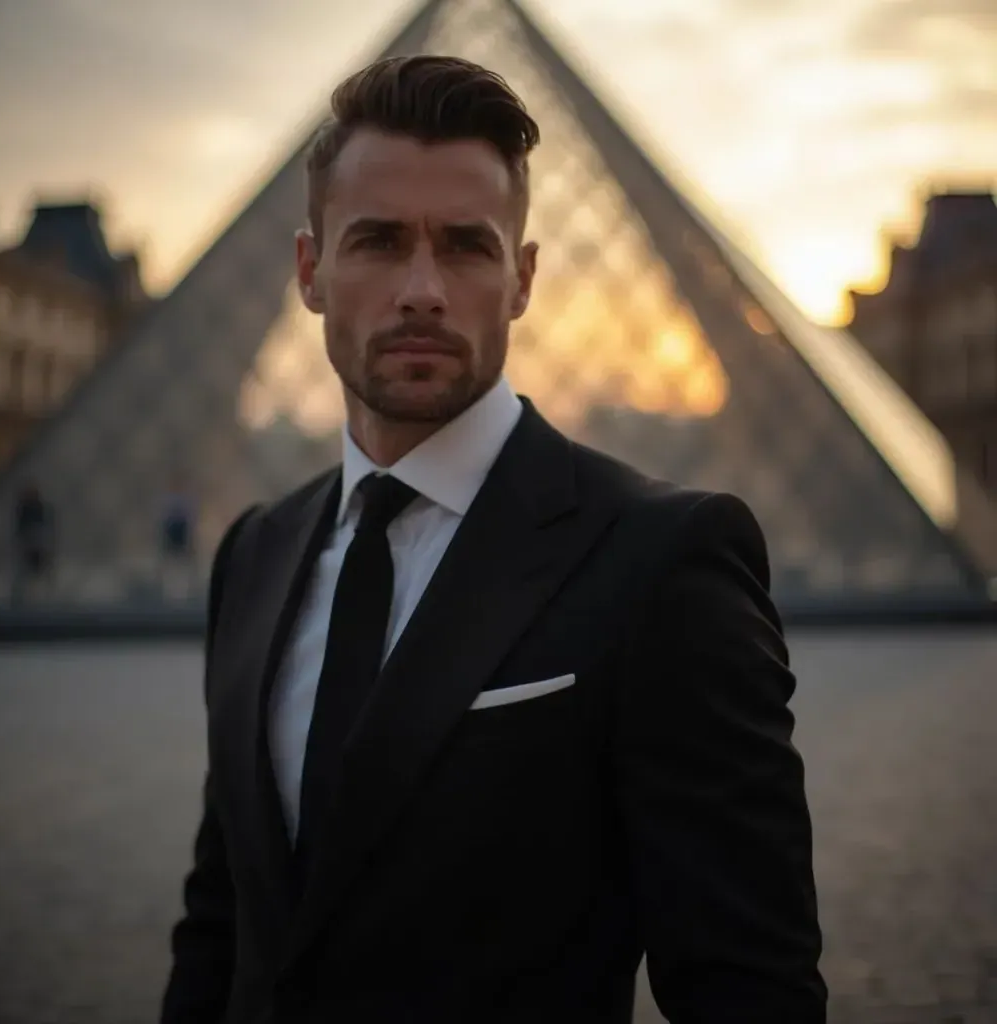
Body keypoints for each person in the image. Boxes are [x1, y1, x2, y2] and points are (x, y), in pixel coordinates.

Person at [161, 55, 825, 1024]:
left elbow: (748, 985)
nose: (422, 290)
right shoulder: (253, 554)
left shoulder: (665, 561)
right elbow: (222, 917)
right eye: (378, 242)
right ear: (310, 271)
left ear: (521, 279)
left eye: (466, 247)